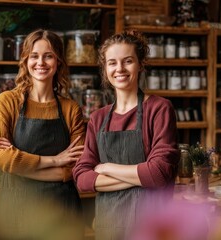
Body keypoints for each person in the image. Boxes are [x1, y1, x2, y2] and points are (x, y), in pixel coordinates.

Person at [72, 30, 180, 240]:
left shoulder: (159, 109)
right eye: (112, 62)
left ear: (140, 64)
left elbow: (159, 173)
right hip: (109, 228)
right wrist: (141, 177)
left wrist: (106, 168)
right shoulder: (98, 118)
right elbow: (82, 179)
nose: (119, 68)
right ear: (105, 69)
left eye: (127, 61)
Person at [0, 29, 85, 240]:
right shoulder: (8, 101)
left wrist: (17, 168)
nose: (41, 62)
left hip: (61, 213)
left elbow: (73, 170)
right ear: (26, 61)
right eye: (34, 56)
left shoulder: (71, 109)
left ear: (58, 61)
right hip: (16, 211)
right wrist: (54, 160)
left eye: (48, 56)